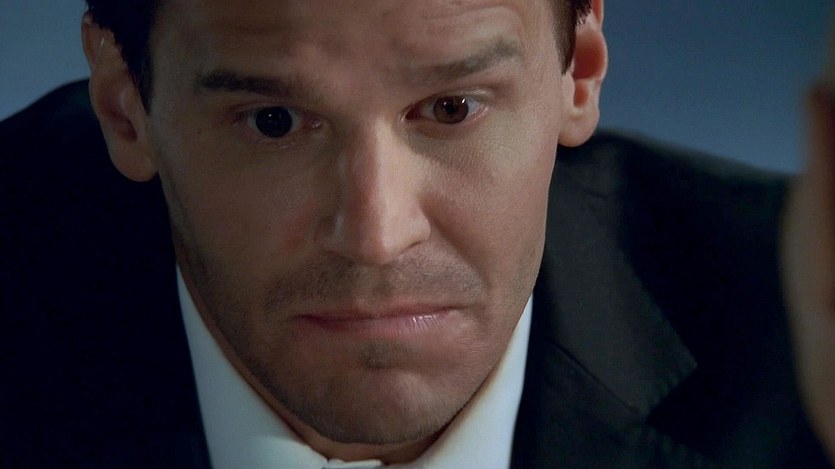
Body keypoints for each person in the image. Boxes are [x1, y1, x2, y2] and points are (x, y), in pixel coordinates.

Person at [0, 0, 830, 467]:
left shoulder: (800, 333)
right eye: (274, 120)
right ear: (125, 105)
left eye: (452, 108)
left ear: (576, 71)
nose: (376, 235)